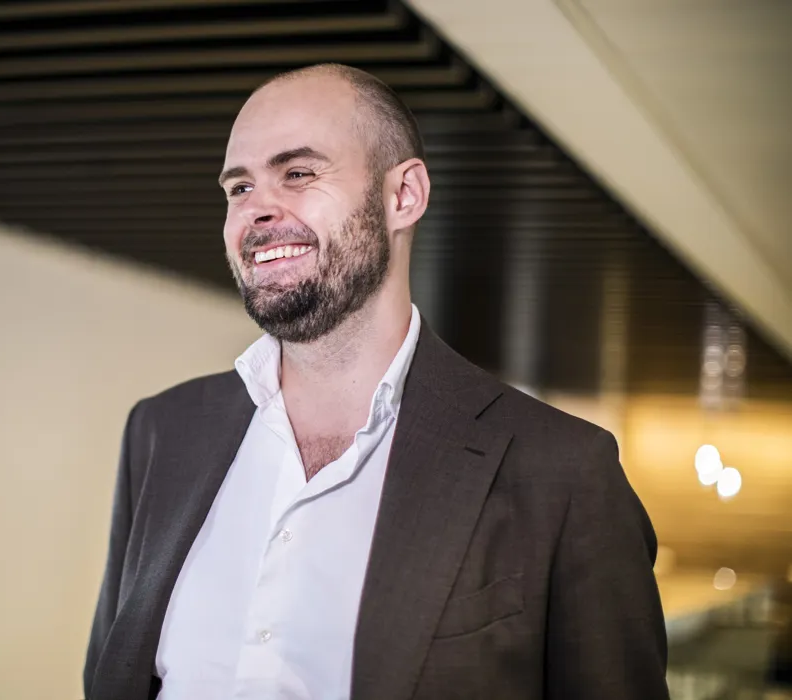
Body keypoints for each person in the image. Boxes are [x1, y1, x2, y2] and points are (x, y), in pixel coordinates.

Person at [83, 63, 670, 700]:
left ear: (403, 196)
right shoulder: (161, 432)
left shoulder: (561, 472)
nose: (256, 210)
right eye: (238, 188)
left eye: (299, 173)